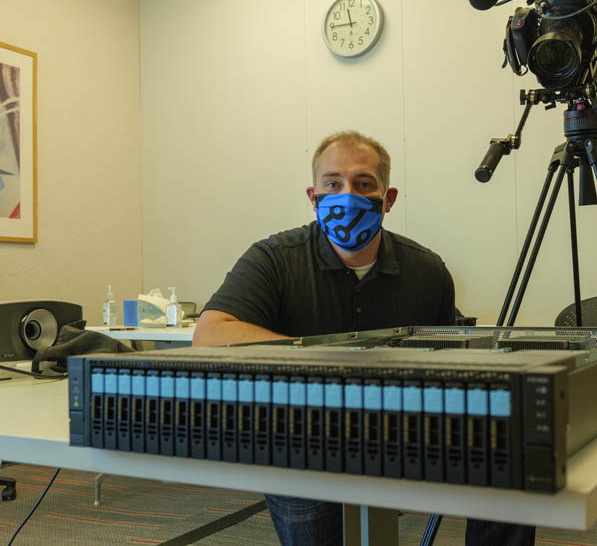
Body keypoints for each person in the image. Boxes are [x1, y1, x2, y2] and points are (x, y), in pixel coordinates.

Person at [193, 131, 535, 546]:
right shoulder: (273, 259)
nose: (347, 195)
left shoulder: (426, 269)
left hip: (400, 428)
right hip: (302, 438)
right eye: (333, 184)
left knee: (511, 463)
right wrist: (325, 356)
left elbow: (450, 352)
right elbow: (211, 334)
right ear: (313, 196)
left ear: (387, 199)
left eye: (363, 184)